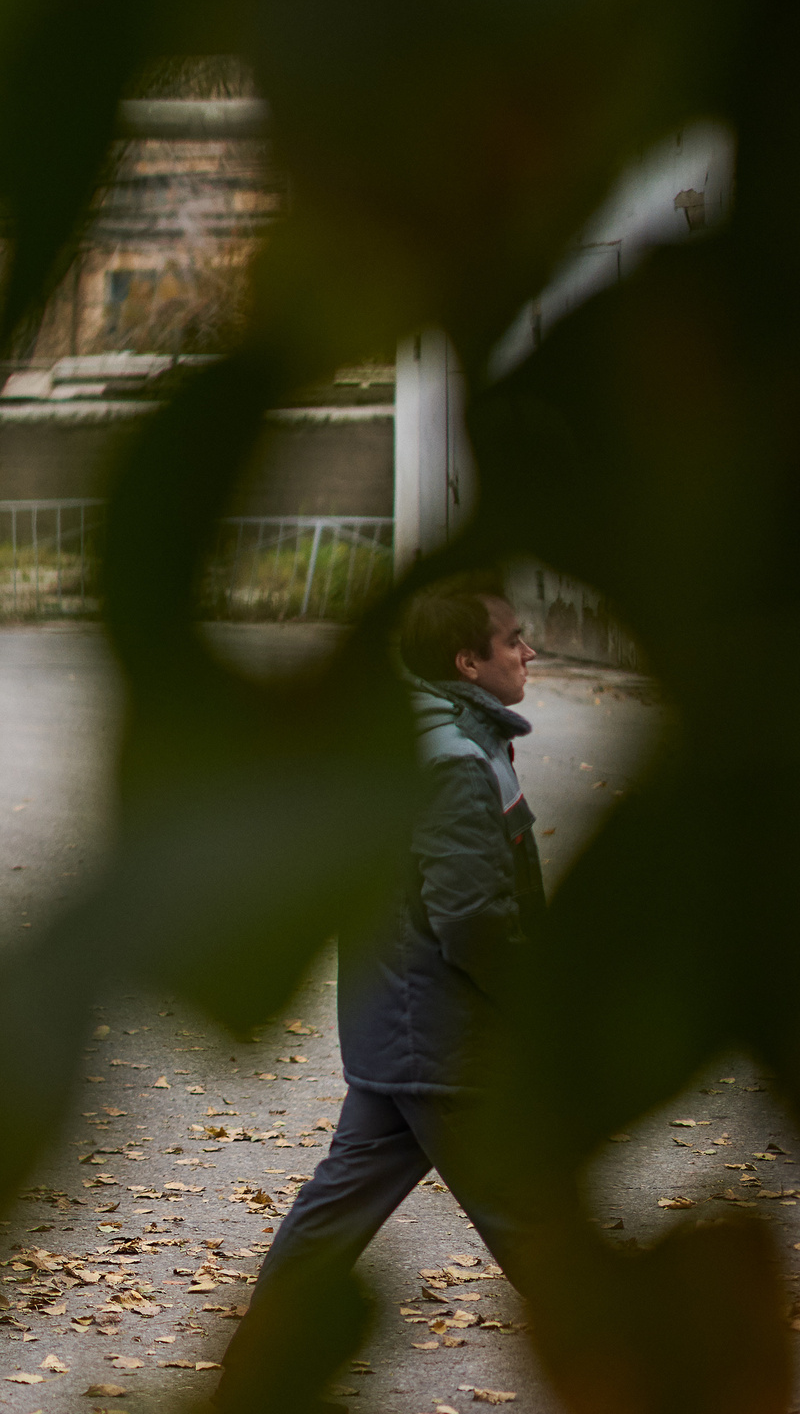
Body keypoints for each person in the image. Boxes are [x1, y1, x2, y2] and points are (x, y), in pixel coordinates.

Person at [214, 576, 547, 1409]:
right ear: (468, 662)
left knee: (336, 1209)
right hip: (442, 1038)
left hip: (400, 1028)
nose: (528, 652)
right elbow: (471, 915)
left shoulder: (421, 736)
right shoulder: (453, 761)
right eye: (513, 641)